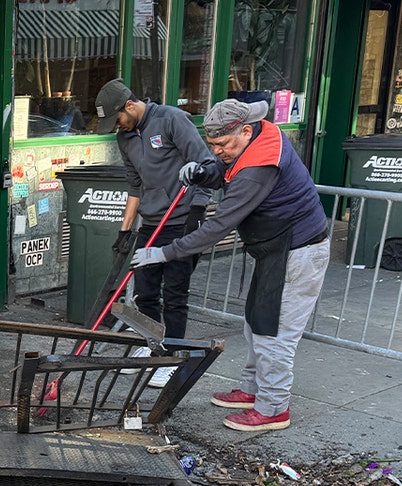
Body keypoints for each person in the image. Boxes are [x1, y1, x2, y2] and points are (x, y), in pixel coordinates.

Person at [131, 98, 330, 432]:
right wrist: (205, 172)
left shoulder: (258, 169)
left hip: (298, 253)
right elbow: (224, 169)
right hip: (277, 250)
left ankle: (273, 408)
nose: (217, 150)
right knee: (256, 324)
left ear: (246, 130)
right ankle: (254, 392)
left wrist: (165, 252)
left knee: (275, 335)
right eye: (211, 145)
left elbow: (216, 227)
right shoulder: (252, 141)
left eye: (221, 144)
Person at [95, 78, 213, 388]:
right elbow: (135, 186)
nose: (116, 127)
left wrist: (198, 211)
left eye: (116, 119)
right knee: (145, 292)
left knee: (174, 294)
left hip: (182, 221)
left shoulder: (171, 119)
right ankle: (151, 344)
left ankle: (171, 357)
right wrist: (124, 230)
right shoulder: (125, 139)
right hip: (151, 223)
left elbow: (204, 164)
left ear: (130, 106)